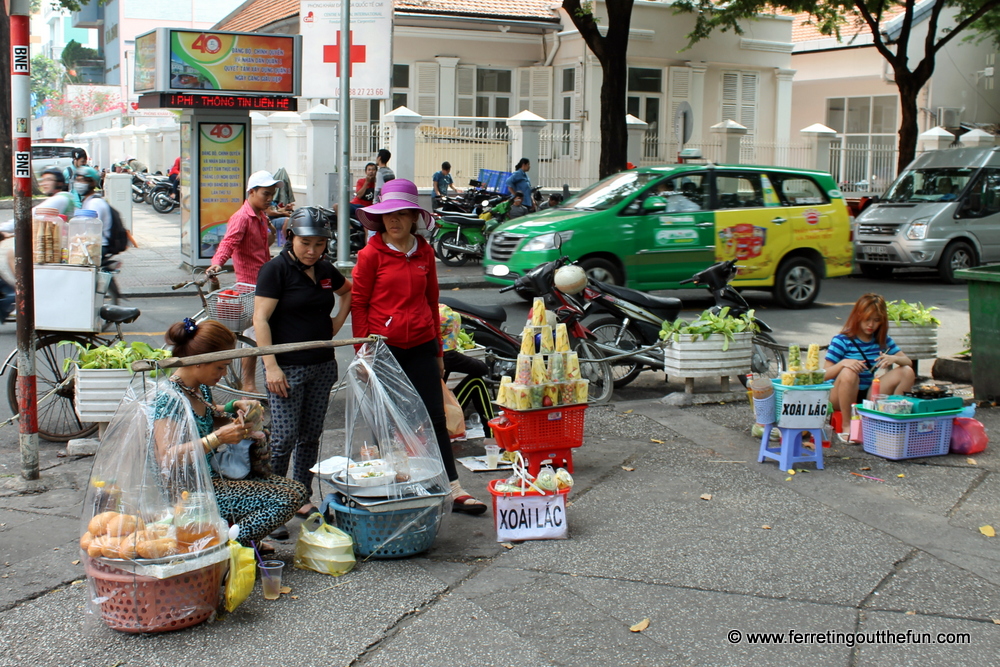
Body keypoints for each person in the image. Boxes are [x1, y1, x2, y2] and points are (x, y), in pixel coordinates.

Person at [352, 179, 487, 515]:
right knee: (387, 419)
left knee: (433, 417)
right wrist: (363, 352)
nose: (393, 221)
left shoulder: (424, 251)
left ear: (414, 217)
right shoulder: (371, 254)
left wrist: (439, 353)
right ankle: (393, 488)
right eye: (388, 215)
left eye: (401, 214)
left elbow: (431, 301)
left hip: (423, 345)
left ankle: (453, 487)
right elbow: (359, 303)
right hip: (384, 350)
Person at [154, 318, 308, 549]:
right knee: (284, 499)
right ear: (198, 362)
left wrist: (233, 407)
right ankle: (226, 546)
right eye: (220, 367)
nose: (225, 374)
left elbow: (208, 412)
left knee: (297, 490)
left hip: (213, 477)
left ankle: (239, 537)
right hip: (190, 492)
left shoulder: (198, 388)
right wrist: (217, 438)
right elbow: (167, 457)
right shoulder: (168, 398)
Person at [254, 212, 352, 525]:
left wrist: (335, 325)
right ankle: (272, 503)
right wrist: (270, 366)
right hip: (287, 369)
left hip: (322, 365)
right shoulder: (275, 270)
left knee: (310, 436)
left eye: (320, 244)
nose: (312, 250)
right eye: (305, 242)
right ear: (291, 238)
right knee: (283, 438)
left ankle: (300, 495)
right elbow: (260, 319)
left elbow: (346, 291)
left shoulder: (324, 269)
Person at [207, 170, 281, 395]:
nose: (269, 198)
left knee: (260, 333)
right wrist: (216, 263)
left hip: (263, 281)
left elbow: (264, 244)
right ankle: (249, 384)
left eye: (272, 194)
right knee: (253, 335)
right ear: (252, 192)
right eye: (266, 194)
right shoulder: (242, 217)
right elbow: (228, 243)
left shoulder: (259, 215)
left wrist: (271, 227)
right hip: (250, 286)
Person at [824, 293, 916, 414]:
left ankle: (897, 415)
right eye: (867, 319)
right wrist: (843, 363)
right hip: (840, 394)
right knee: (849, 372)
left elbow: (907, 361)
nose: (871, 325)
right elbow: (823, 375)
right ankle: (847, 425)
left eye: (876, 320)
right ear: (858, 316)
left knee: (907, 372)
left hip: (868, 393)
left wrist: (893, 358)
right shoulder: (842, 340)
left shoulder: (882, 339)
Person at [75, 167, 114, 258]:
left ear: (92, 182)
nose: (79, 184)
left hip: (99, 246)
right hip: (94, 243)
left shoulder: (94, 203)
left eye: (83, 181)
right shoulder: (88, 201)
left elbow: (90, 231)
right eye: (77, 180)